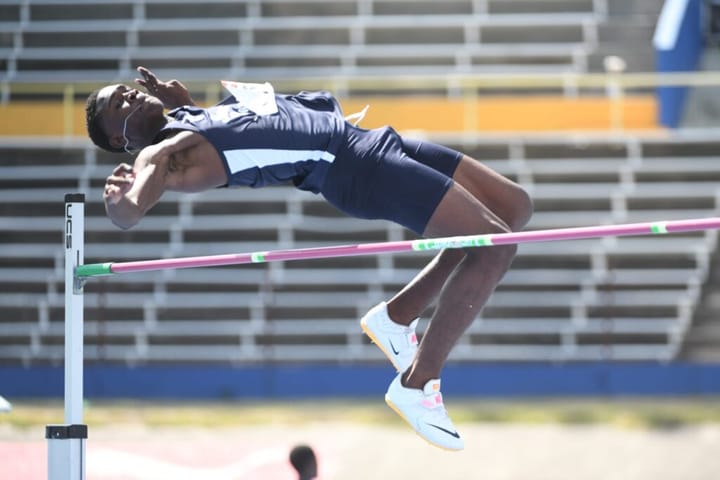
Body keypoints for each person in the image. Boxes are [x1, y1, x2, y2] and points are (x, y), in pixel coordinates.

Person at [86, 66, 533, 451]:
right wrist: (118, 202)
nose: (128, 94)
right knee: (496, 246)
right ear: (117, 138)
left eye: (124, 90)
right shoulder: (162, 153)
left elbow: (243, 133)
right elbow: (132, 208)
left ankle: (397, 317)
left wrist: (186, 103)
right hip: (354, 169)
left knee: (513, 208)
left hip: (364, 138)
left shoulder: (189, 119)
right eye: (118, 106)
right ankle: (418, 384)